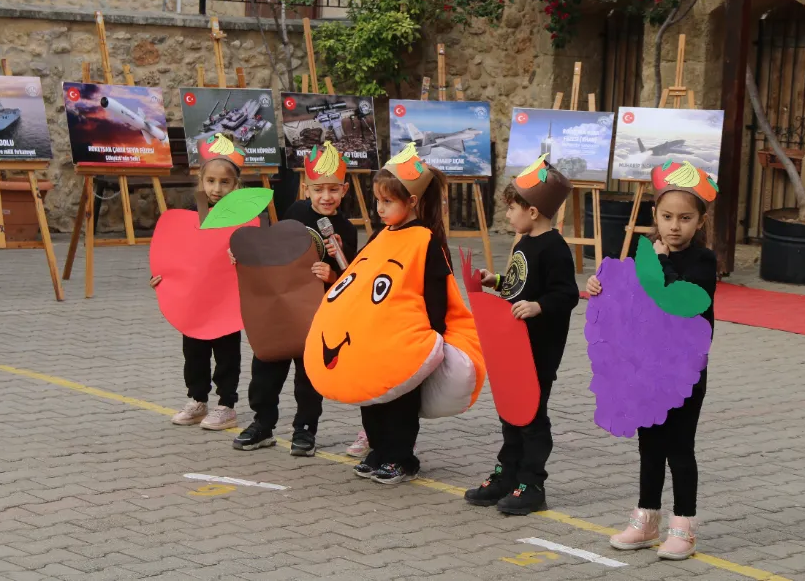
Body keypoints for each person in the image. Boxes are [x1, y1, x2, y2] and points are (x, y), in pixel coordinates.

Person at [302, 143, 485, 486]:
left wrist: (431, 335)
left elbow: (436, 290)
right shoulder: (381, 235)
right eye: (377, 201)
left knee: (401, 404)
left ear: (411, 201)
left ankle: (402, 458)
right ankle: (378, 451)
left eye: (387, 201)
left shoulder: (425, 240)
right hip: (371, 341)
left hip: (405, 341)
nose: (380, 209)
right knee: (372, 399)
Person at [586, 161, 718, 561]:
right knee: (650, 447)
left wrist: (658, 261)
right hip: (645, 370)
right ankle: (646, 519)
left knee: (680, 448)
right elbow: (627, 298)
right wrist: (600, 285)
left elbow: (679, 298)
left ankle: (684, 526)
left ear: (700, 221)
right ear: (655, 215)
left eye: (685, 218)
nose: (675, 226)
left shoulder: (703, 261)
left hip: (683, 374)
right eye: (667, 217)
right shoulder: (644, 253)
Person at [464, 155, 580, 515]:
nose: (508, 215)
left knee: (530, 416)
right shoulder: (524, 242)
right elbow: (520, 284)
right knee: (510, 412)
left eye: (512, 208)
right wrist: (496, 281)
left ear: (533, 211)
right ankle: (508, 474)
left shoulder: (555, 248)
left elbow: (567, 294)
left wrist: (538, 306)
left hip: (538, 351)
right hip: (513, 346)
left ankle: (533, 483)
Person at [232, 141, 359, 456]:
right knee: (266, 370)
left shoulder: (346, 229)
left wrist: (331, 274)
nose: (326, 196)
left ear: (344, 190)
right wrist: (244, 258)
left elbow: (351, 278)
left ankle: (305, 429)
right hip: (281, 309)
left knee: (308, 378)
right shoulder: (295, 213)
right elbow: (274, 249)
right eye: (319, 189)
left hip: (316, 315)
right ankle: (263, 424)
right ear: (306, 189)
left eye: (333, 189)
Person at [150, 132, 245, 432]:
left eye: (225, 182)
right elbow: (174, 252)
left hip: (227, 301)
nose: (216, 189)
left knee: (227, 353)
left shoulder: (246, 218)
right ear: (201, 181)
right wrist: (162, 277)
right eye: (211, 181)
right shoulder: (190, 216)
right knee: (193, 352)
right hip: (195, 300)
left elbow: (256, 256)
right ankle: (197, 399)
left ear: (236, 185)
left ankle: (226, 405)